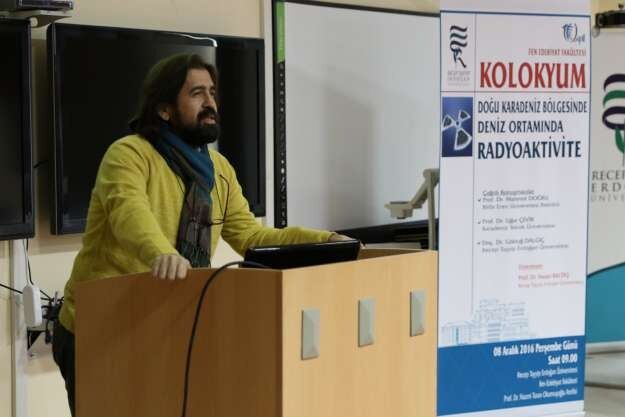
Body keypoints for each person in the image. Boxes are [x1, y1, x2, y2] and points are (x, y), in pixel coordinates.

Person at [52, 53, 351, 416]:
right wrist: (161, 253)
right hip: (101, 329)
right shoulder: (129, 154)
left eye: (211, 92)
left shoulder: (218, 169)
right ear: (164, 109)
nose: (210, 102)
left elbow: (250, 237)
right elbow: (128, 212)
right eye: (196, 93)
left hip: (170, 323)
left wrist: (324, 242)